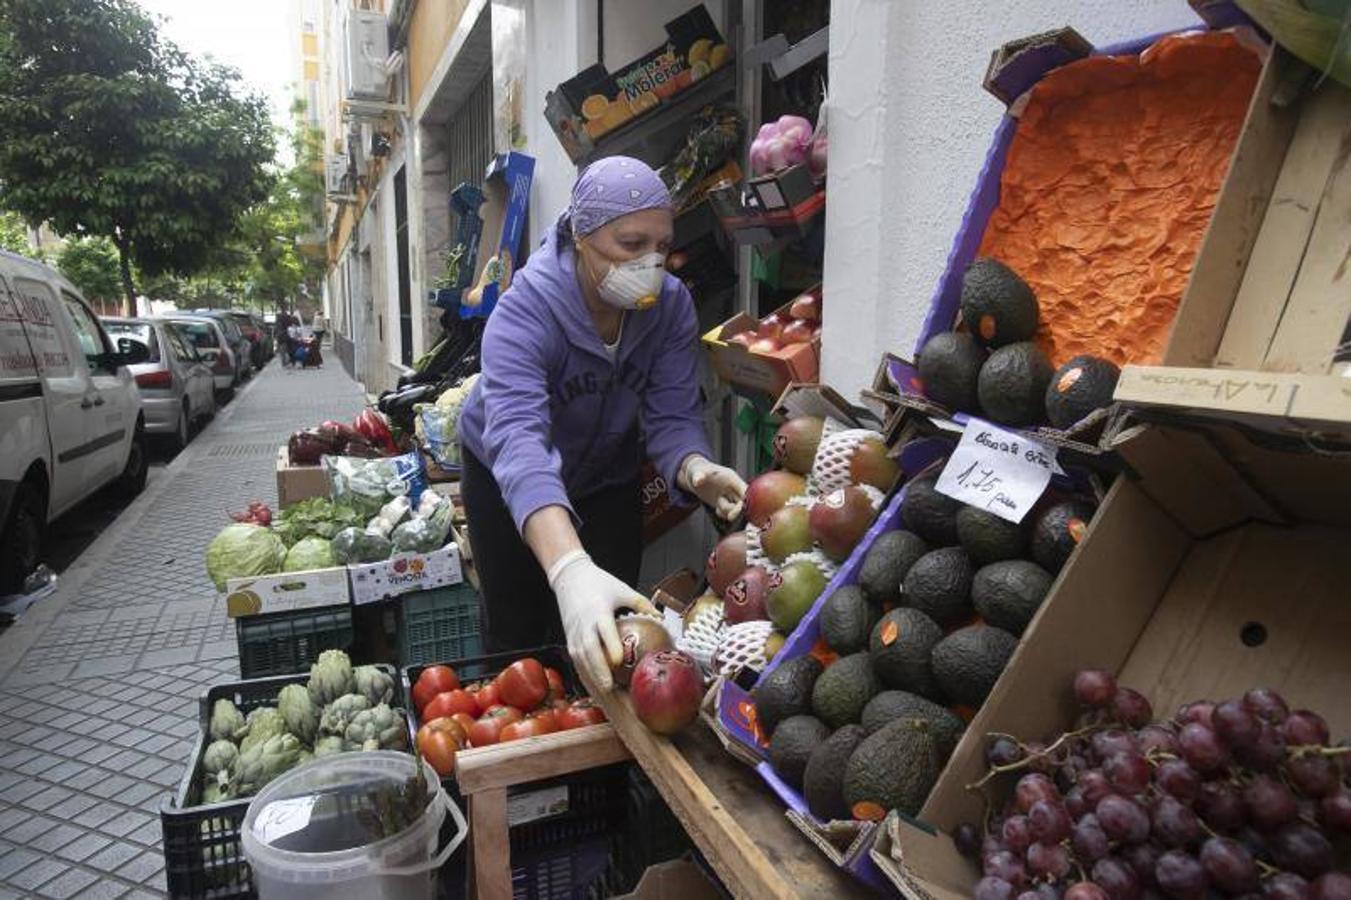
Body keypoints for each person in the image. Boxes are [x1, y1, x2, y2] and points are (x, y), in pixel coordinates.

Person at [457, 156, 745, 690]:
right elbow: (521, 446)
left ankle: (601, 767)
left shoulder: (670, 308)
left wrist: (695, 467)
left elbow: (673, 413)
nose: (651, 264)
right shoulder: (523, 313)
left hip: (607, 475)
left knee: (613, 634)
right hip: (506, 479)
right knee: (517, 633)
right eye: (632, 246)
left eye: (661, 247)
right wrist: (567, 568)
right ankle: (525, 764)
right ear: (583, 237)